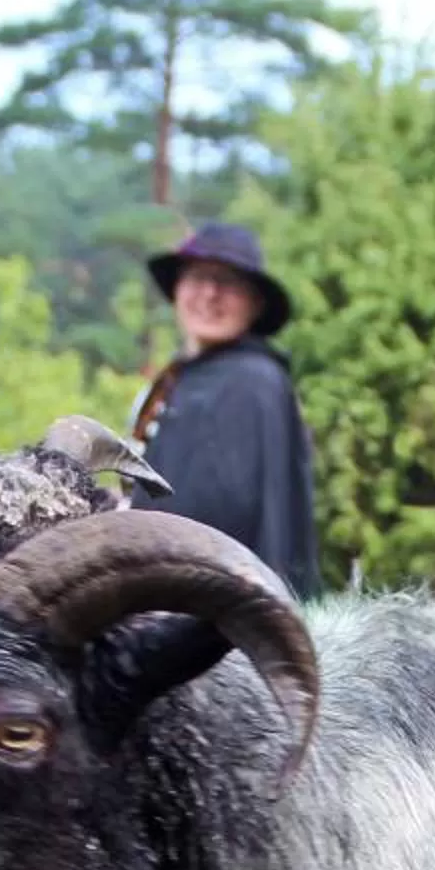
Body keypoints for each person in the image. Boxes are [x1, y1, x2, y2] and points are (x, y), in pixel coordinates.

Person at [128, 221, 324, 597]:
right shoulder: (177, 382)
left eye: (228, 283)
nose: (210, 294)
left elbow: (259, 520)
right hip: (161, 595)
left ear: (255, 303)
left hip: (217, 612)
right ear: (177, 289)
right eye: (198, 278)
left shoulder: (255, 384)